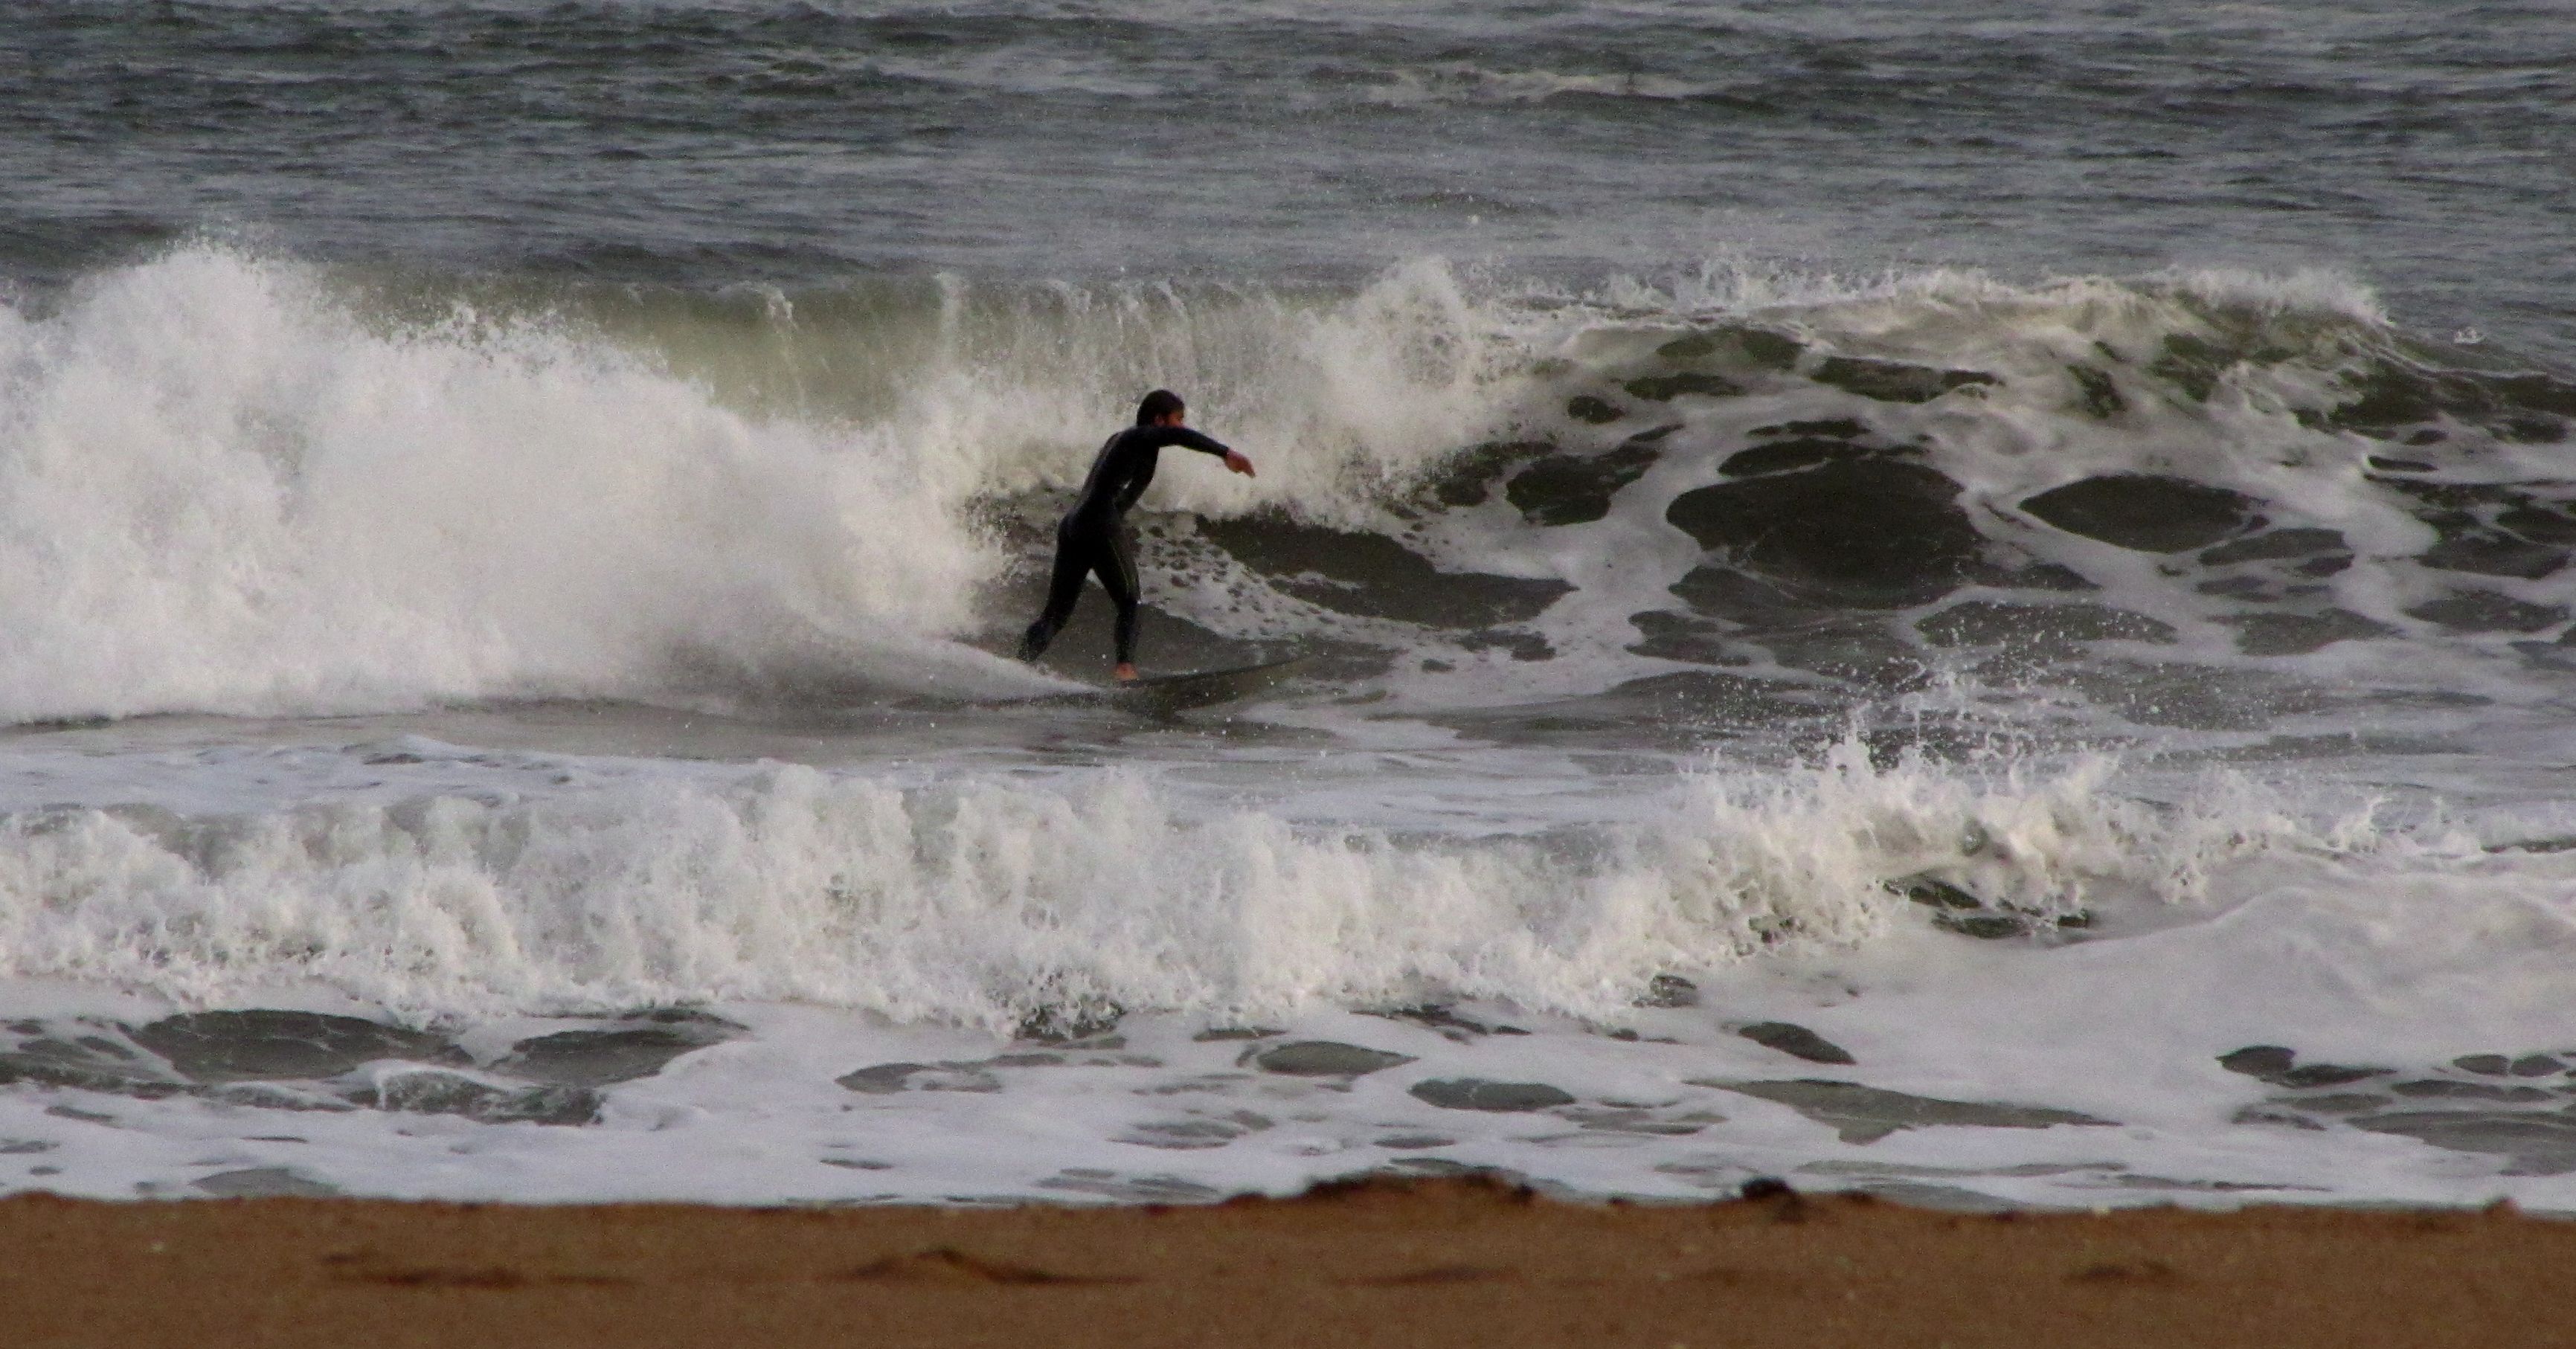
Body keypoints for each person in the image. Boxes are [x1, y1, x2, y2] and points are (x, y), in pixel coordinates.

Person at [1017, 390, 1255, 681]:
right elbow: (1180, 437)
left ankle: (1017, 668)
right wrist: (1226, 453)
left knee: (1054, 617)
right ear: (1159, 420)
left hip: (1074, 526)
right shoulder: (1139, 437)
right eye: (1178, 419)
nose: (1182, 426)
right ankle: (1126, 671)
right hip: (1100, 524)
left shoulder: (1123, 441)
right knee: (1130, 602)